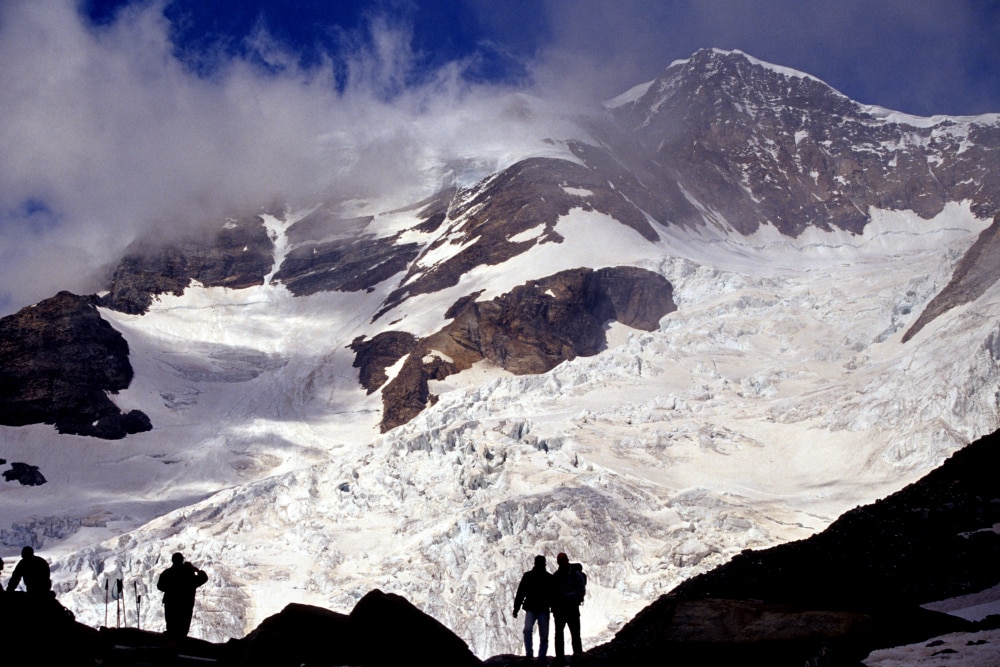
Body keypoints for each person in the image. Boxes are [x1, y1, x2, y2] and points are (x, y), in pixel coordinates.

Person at [156, 552, 208, 639]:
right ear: (182, 560)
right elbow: (203, 578)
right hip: (186, 604)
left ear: (172, 560)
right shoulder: (189, 574)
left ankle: (170, 646)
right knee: (182, 629)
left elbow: (160, 586)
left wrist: (171, 588)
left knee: (171, 628)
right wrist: (195, 570)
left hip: (171, 603)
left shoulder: (167, 573)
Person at [513, 554, 553, 663]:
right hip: (540, 609)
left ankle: (531, 655)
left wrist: (516, 608)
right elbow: (553, 595)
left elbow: (521, 593)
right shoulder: (548, 577)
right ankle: (540, 656)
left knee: (528, 630)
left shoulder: (529, 576)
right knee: (541, 634)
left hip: (534, 608)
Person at [551, 552, 586, 664]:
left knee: (571, 634)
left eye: (562, 560)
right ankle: (569, 656)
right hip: (566, 609)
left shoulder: (573, 575)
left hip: (569, 609)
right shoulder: (559, 576)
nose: (561, 563)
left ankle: (571, 656)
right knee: (566, 634)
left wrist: (565, 596)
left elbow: (581, 591)